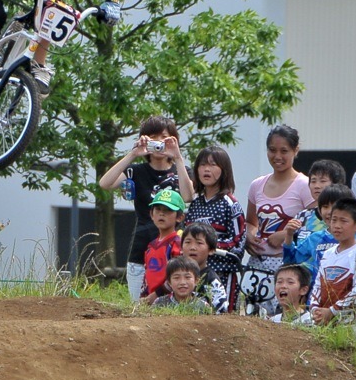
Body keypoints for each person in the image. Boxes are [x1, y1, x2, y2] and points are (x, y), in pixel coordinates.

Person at [98, 116, 194, 301]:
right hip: (142, 248)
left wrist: (178, 157)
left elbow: (188, 196)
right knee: (138, 306)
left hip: (174, 251)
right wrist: (133, 154)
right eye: (153, 137)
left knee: (172, 306)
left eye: (164, 137)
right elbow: (105, 183)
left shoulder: (182, 170)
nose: (159, 143)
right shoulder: (136, 170)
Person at [246, 125, 314, 281]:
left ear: (295, 151)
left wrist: (285, 234)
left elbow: (316, 226)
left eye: (284, 151)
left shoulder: (305, 185)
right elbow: (251, 222)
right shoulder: (257, 185)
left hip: (288, 264)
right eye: (272, 150)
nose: (277, 156)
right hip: (258, 264)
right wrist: (249, 236)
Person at [283, 184, 356, 285]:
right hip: (317, 295)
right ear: (319, 211)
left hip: (350, 295)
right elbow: (290, 261)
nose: (329, 212)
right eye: (325, 207)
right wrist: (289, 235)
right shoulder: (315, 238)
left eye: (335, 206)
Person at [309, 198, 356, 330]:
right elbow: (318, 284)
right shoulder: (328, 254)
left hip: (350, 324)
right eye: (334, 220)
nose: (337, 225)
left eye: (343, 221)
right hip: (323, 322)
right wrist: (315, 308)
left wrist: (333, 310)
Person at [183, 146, 245, 254]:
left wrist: (208, 246)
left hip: (220, 269)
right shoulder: (195, 204)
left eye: (213, 165)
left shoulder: (230, 204)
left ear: (224, 170)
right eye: (202, 164)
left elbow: (238, 243)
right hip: (194, 269)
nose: (206, 169)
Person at [284, 159, 347, 247]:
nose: (317, 186)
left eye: (323, 181)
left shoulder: (347, 216)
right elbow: (292, 255)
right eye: (313, 181)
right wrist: (288, 234)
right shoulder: (302, 217)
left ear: (337, 184)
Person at [140, 189, 187, 304]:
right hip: (151, 301)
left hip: (170, 301)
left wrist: (156, 295)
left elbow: (178, 276)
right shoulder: (151, 246)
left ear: (179, 217)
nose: (162, 214)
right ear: (152, 214)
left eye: (168, 210)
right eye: (158, 209)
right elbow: (147, 275)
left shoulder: (177, 243)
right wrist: (144, 296)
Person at [180, 222, 228, 314]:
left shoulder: (212, 281)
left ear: (211, 250)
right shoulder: (176, 274)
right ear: (181, 248)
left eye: (199, 243)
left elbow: (221, 312)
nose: (192, 247)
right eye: (188, 242)